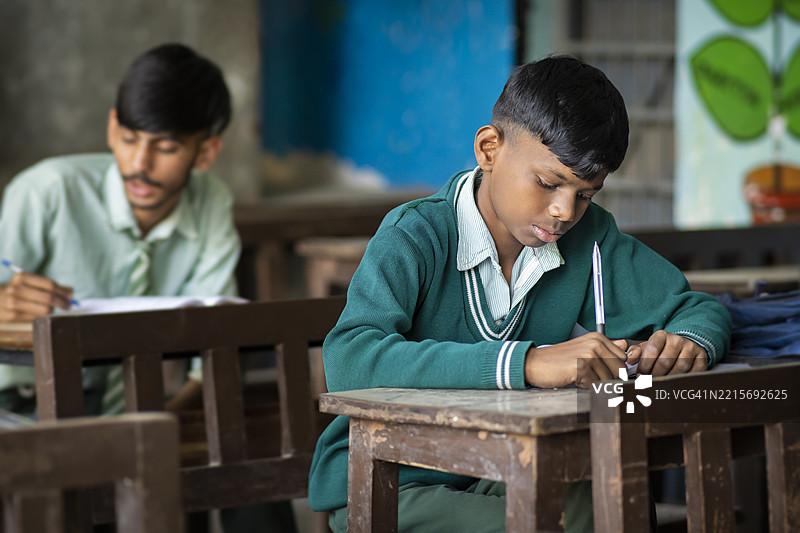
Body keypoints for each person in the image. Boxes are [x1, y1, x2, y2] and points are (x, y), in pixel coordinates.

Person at [308, 55, 732, 532]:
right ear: (490, 148)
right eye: (548, 182)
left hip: (504, 463)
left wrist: (687, 341)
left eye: (585, 194)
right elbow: (349, 360)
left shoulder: (589, 237)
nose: (563, 210)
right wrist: (528, 363)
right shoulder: (416, 235)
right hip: (392, 479)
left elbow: (695, 308)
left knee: (615, 496)